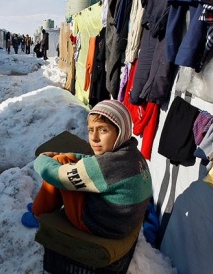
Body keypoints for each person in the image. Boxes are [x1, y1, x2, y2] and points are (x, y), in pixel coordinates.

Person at [21, 100, 152, 240]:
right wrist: (70, 157)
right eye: (91, 130)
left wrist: (41, 160)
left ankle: (38, 213)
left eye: (103, 130)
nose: (94, 138)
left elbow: (57, 176)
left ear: (121, 131)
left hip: (99, 225)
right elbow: (93, 163)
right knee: (66, 159)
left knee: (60, 166)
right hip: (120, 223)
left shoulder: (108, 166)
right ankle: (44, 203)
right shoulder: (131, 154)